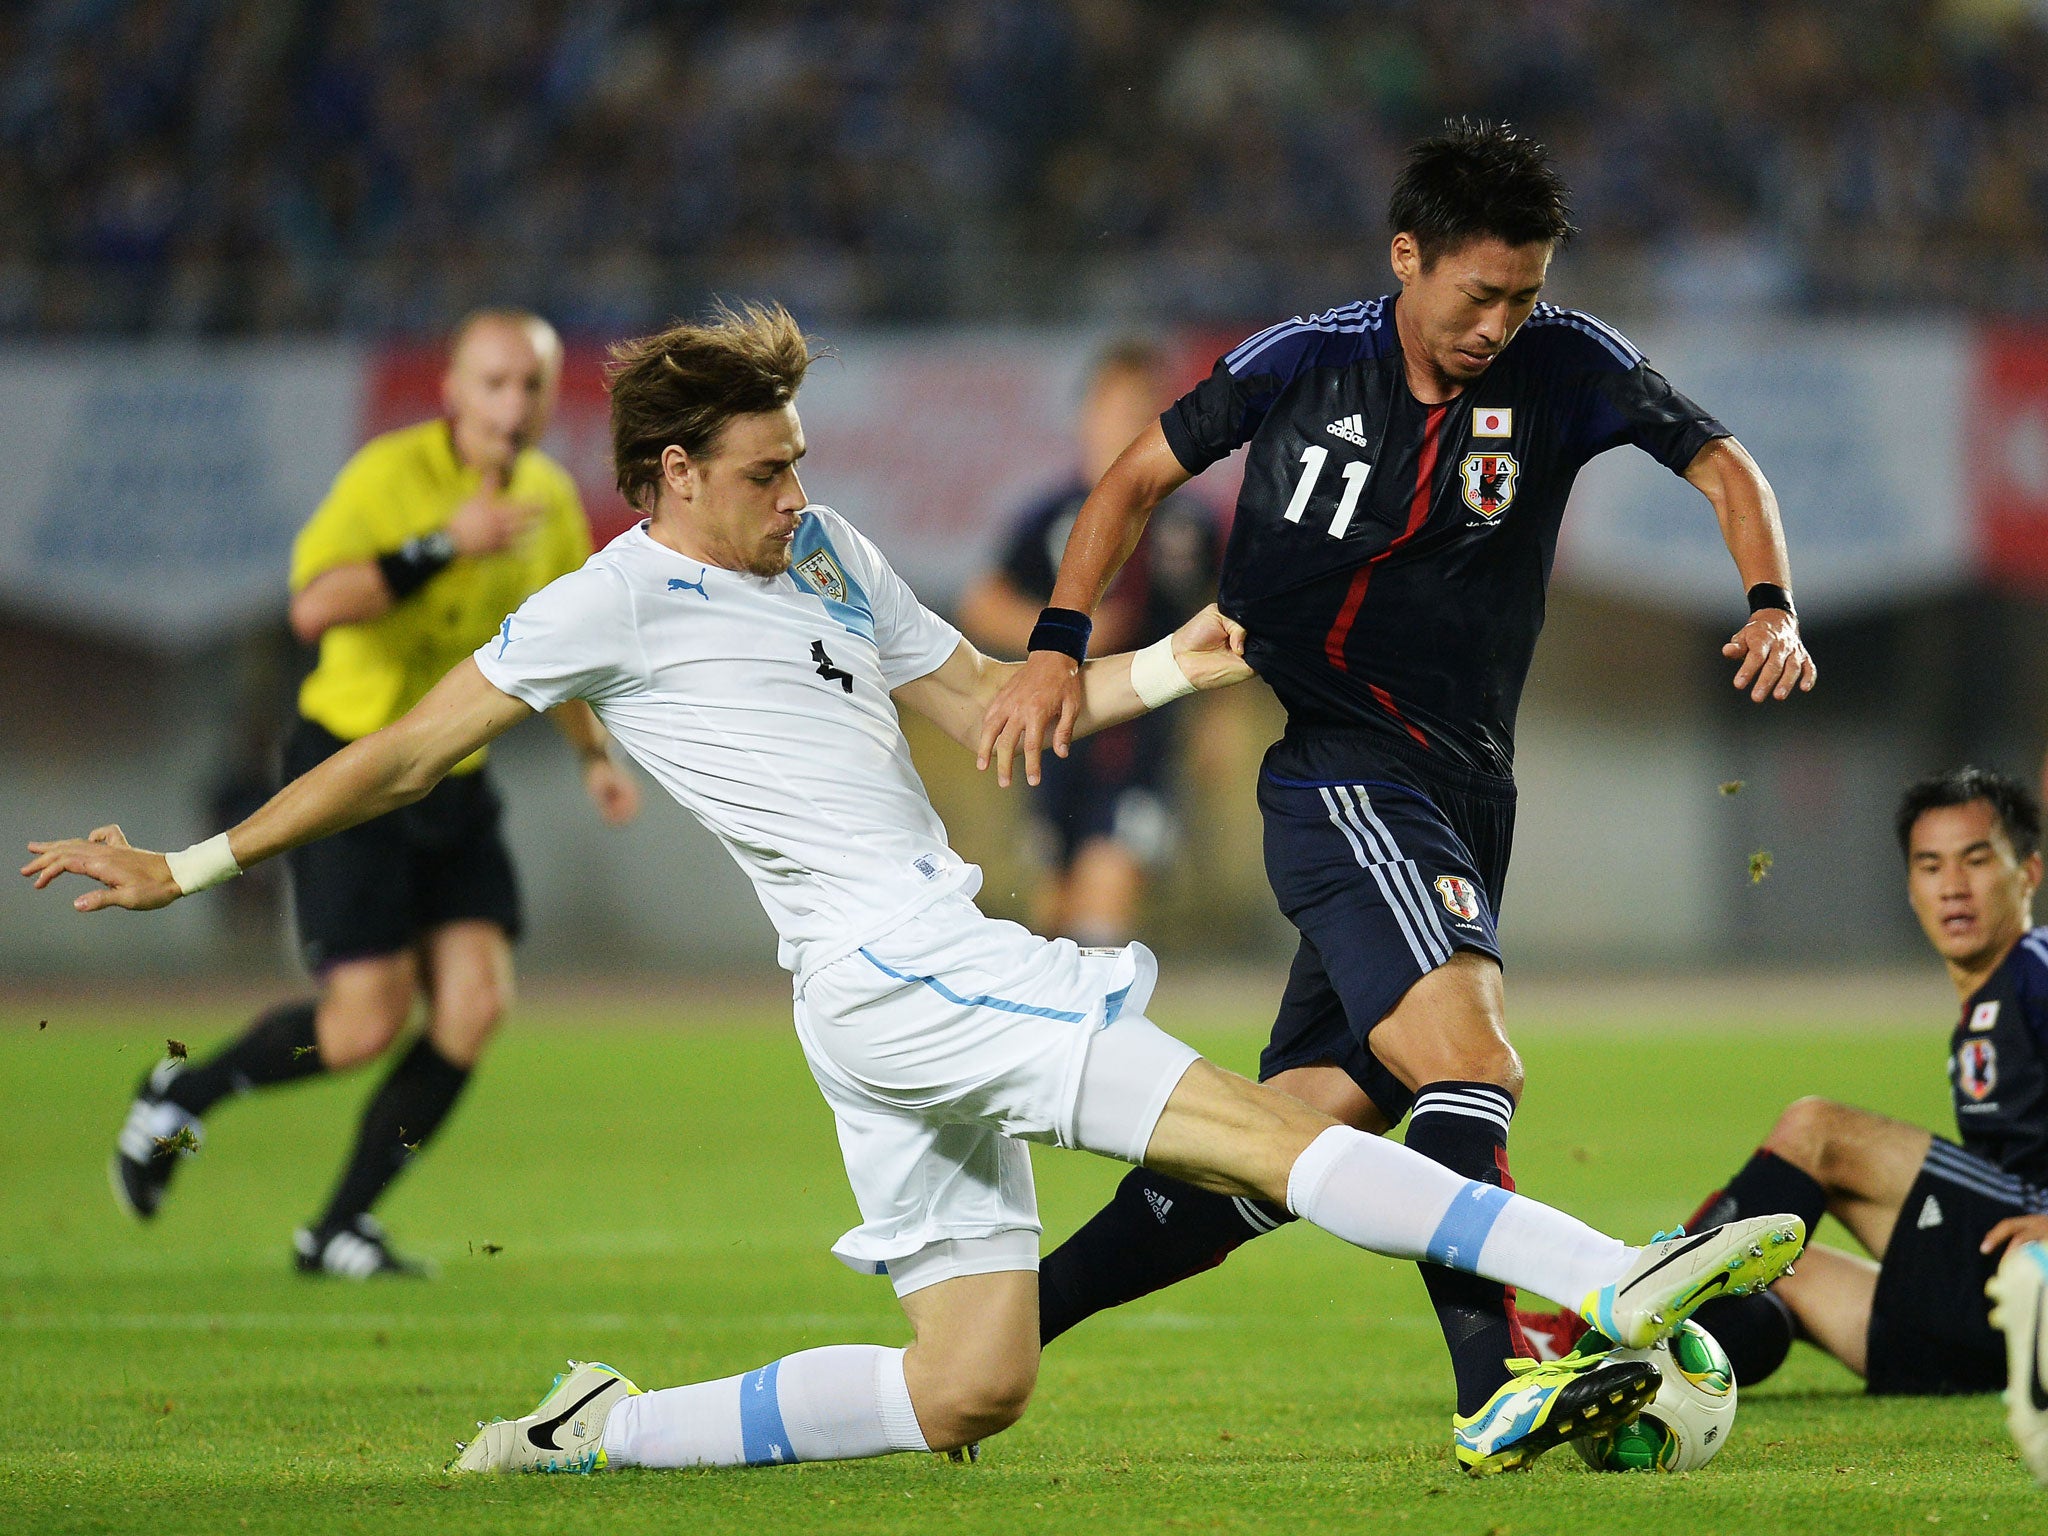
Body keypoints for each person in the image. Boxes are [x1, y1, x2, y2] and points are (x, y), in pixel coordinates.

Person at [24, 301, 1804, 1478]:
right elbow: (407, 745)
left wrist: (1177, 665)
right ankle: (1617, 1270)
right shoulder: (609, 596)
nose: (800, 487)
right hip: (902, 966)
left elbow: (988, 705)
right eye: (763, 467)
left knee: (973, 1383)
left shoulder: (821, 551)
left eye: (801, 455)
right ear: (664, 478)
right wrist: (191, 866)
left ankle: (594, 1433)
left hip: (879, 1002)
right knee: (1256, 1130)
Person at [976, 118, 1819, 1454]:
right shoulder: (1302, 362)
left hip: (1470, 792)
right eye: (1478, 292)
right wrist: (1057, 651)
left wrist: (1770, 604)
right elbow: (1135, 477)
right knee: (1470, 1056)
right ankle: (1496, 1386)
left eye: (1523, 294)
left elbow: (1721, 462)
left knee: (1283, 1141)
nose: (1499, 322)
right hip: (1340, 772)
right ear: (1407, 258)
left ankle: (1003, 1330)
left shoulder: (1565, 368)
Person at [105, 309, 641, 1277]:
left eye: (530, 385)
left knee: (474, 1007)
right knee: (358, 1029)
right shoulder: (388, 478)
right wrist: (440, 546)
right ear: (452, 390)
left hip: (454, 778)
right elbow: (314, 604)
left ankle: (336, 1228)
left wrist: (591, 754)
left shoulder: (550, 498)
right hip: (349, 768)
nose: (513, 404)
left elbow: (560, 638)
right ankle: (184, 1096)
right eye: (494, 382)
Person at [1517, 768, 2048, 1399]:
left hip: (2028, 1277)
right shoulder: (1988, 1005)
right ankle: (1622, 1381)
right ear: (1910, 887)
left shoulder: (2036, 972)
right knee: (1768, 1268)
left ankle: (1593, 1327)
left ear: (2030, 874)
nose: (1953, 887)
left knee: (1817, 1131)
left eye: (1977, 861)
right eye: (1930, 866)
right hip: (1986, 1324)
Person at [955, 341, 1222, 945]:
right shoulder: (1052, 515)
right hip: (1056, 739)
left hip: (1148, 740)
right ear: (1087, 415)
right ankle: (1061, 1025)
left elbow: (1225, 619)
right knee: (1054, 907)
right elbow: (982, 602)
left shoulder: (1190, 522)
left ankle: (1103, 1020)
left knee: (1110, 886)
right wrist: (1055, 632)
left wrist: (1218, 723)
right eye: (1117, 407)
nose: (1128, 423)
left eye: (1143, 410)